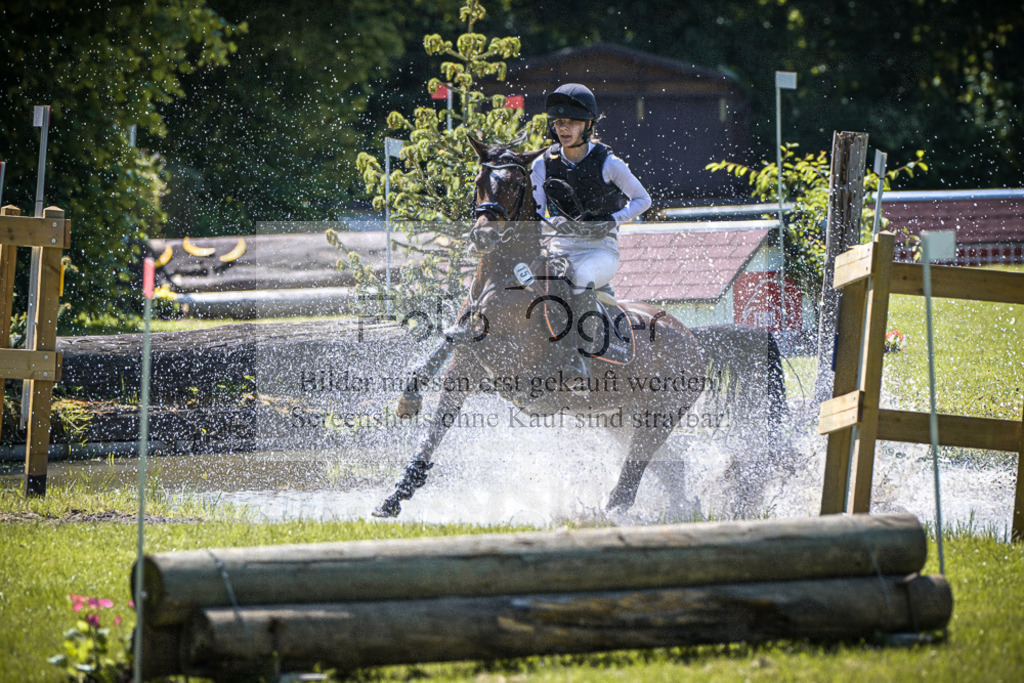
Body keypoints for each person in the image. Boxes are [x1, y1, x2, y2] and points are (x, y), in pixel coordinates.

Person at [530, 83, 652, 381]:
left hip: (600, 250)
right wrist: (551, 222)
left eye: (571, 122)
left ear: (588, 125)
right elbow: (536, 212)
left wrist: (613, 219)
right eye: (559, 122)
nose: (564, 128)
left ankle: (580, 360)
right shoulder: (542, 164)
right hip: (559, 249)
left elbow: (643, 200)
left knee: (580, 278)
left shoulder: (609, 163)